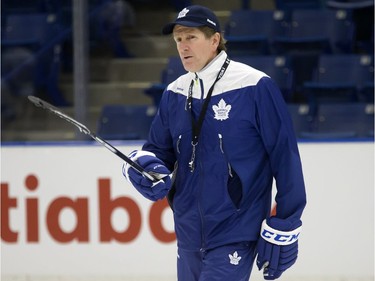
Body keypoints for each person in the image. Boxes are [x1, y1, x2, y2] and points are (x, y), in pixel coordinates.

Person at [123, 5, 307, 281]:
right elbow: (158, 151)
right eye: (178, 39)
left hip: (236, 230)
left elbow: (285, 157)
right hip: (187, 232)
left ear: (215, 40)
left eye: (191, 37)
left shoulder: (254, 85)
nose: (183, 46)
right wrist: (145, 167)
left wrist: (286, 222)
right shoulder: (174, 93)